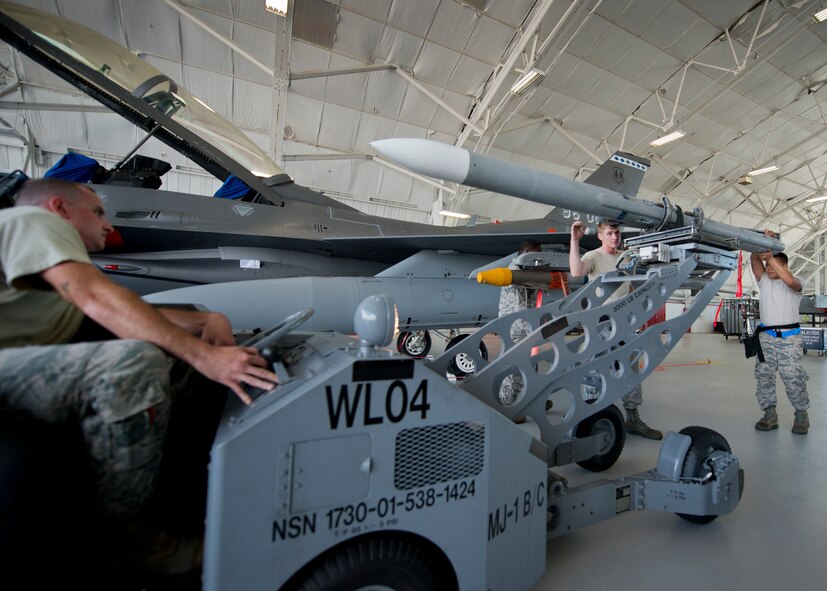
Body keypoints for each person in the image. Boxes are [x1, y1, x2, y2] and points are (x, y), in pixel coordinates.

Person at [0, 178, 279, 575]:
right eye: (97, 212)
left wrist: (206, 321)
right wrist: (205, 357)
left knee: (157, 357)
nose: (109, 226)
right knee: (132, 363)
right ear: (59, 209)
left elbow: (115, 314)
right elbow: (98, 301)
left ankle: (175, 502)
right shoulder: (34, 221)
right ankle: (128, 543)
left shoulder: (39, 269)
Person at [569, 219, 663, 440]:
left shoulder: (626, 257)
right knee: (593, 372)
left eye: (617, 233)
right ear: (601, 236)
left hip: (625, 323)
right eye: (610, 233)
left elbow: (629, 286)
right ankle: (589, 419)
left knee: (632, 368)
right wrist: (574, 241)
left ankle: (633, 418)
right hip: (600, 324)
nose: (614, 237)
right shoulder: (593, 256)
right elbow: (575, 271)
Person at [750, 235, 809, 434]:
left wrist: (771, 258)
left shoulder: (796, 284)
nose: (770, 268)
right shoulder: (764, 282)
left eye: (775, 265)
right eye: (768, 266)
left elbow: (790, 280)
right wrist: (760, 241)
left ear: (784, 266)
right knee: (764, 376)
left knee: (792, 376)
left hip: (789, 338)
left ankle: (801, 414)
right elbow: (754, 259)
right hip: (766, 337)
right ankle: (769, 414)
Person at [497, 239, 542, 406]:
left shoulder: (527, 270)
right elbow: (521, 301)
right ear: (525, 254)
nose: (537, 260)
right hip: (515, 329)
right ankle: (508, 405)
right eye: (534, 255)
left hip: (525, 328)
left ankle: (531, 401)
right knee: (514, 369)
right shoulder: (515, 272)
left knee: (531, 366)